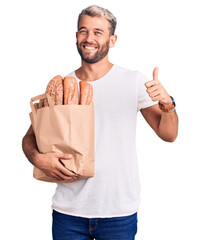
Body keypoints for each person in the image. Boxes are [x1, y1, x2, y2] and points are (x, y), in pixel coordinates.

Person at [22, 5, 178, 240]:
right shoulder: (61, 85)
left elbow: (169, 134)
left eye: (98, 32)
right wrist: (38, 158)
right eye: (83, 31)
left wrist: (167, 104)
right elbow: (30, 137)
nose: (89, 38)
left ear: (112, 40)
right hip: (68, 212)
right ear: (76, 37)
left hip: (118, 212)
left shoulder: (133, 81)